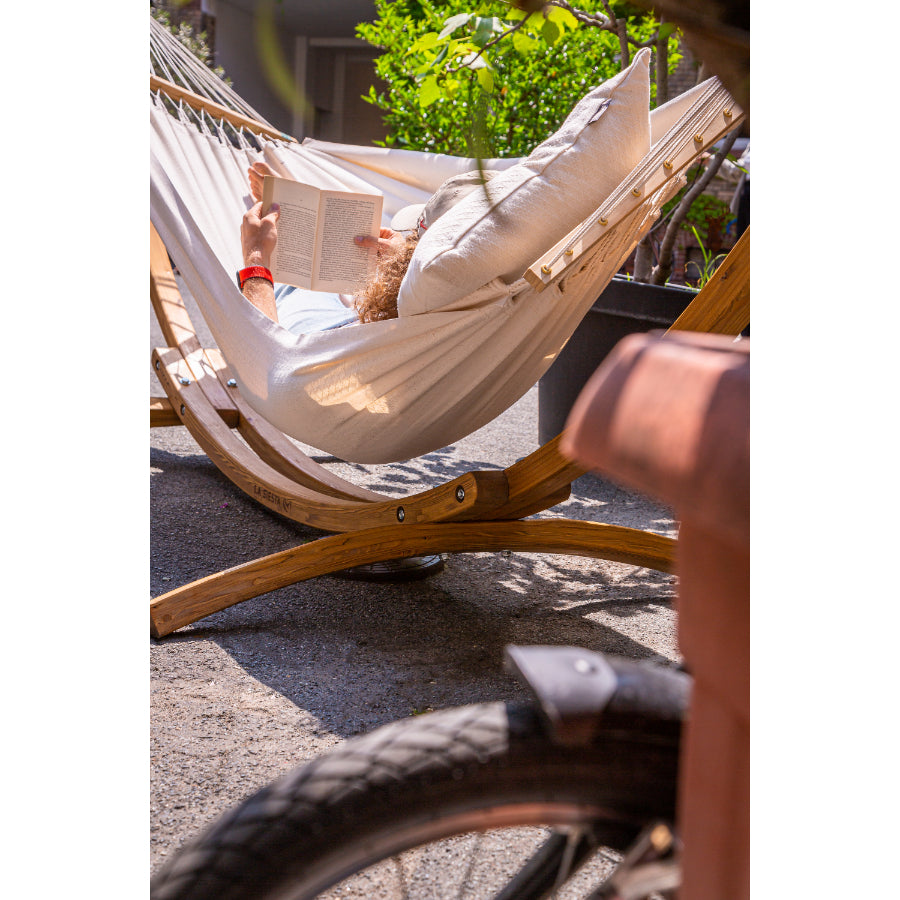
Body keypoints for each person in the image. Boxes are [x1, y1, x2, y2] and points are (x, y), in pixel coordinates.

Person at [238, 162, 496, 330]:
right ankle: (290, 211)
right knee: (334, 286)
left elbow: (268, 358)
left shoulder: (359, 340)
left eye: (415, 238)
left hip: (309, 331)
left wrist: (255, 256)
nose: (408, 242)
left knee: (299, 284)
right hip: (351, 315)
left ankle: (286, 211)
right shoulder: (488, 300)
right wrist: (404, 263)